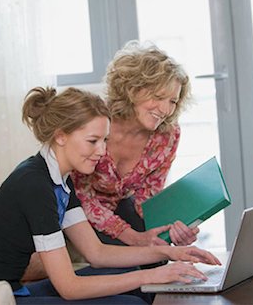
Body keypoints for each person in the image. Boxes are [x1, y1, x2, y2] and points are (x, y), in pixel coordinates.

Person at [0, 86, 221, 304]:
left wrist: (167, 253)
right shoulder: (34, 185)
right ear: (61, 136)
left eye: (104, 140)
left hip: (11, 290)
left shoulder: (59, 179)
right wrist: (152, 276)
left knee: (131, 273)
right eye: (93, 141)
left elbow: (96, 252)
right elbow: (68, 287)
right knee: (130, 301)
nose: (101, 151)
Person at [72, 40, 199, 247]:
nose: (166, 110)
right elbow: (82, 198)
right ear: (132, 89)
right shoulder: (93, 122)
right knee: (127, 259)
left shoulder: (168, 135)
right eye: (158, 97)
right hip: (77, 211)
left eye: (172, 101)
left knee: (156, 253)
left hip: (121, 206)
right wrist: (132, 237)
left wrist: (173, 228)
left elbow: (148, 197)